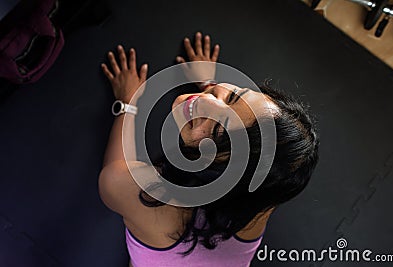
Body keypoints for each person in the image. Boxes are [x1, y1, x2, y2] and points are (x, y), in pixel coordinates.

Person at [99, 32, 319, 267]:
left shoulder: (146, 198)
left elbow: (114, 173)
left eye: (218, 130)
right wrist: (209, 85)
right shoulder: (265, 192)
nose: (205, 101)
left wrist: (129, 103)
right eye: (235, 96)